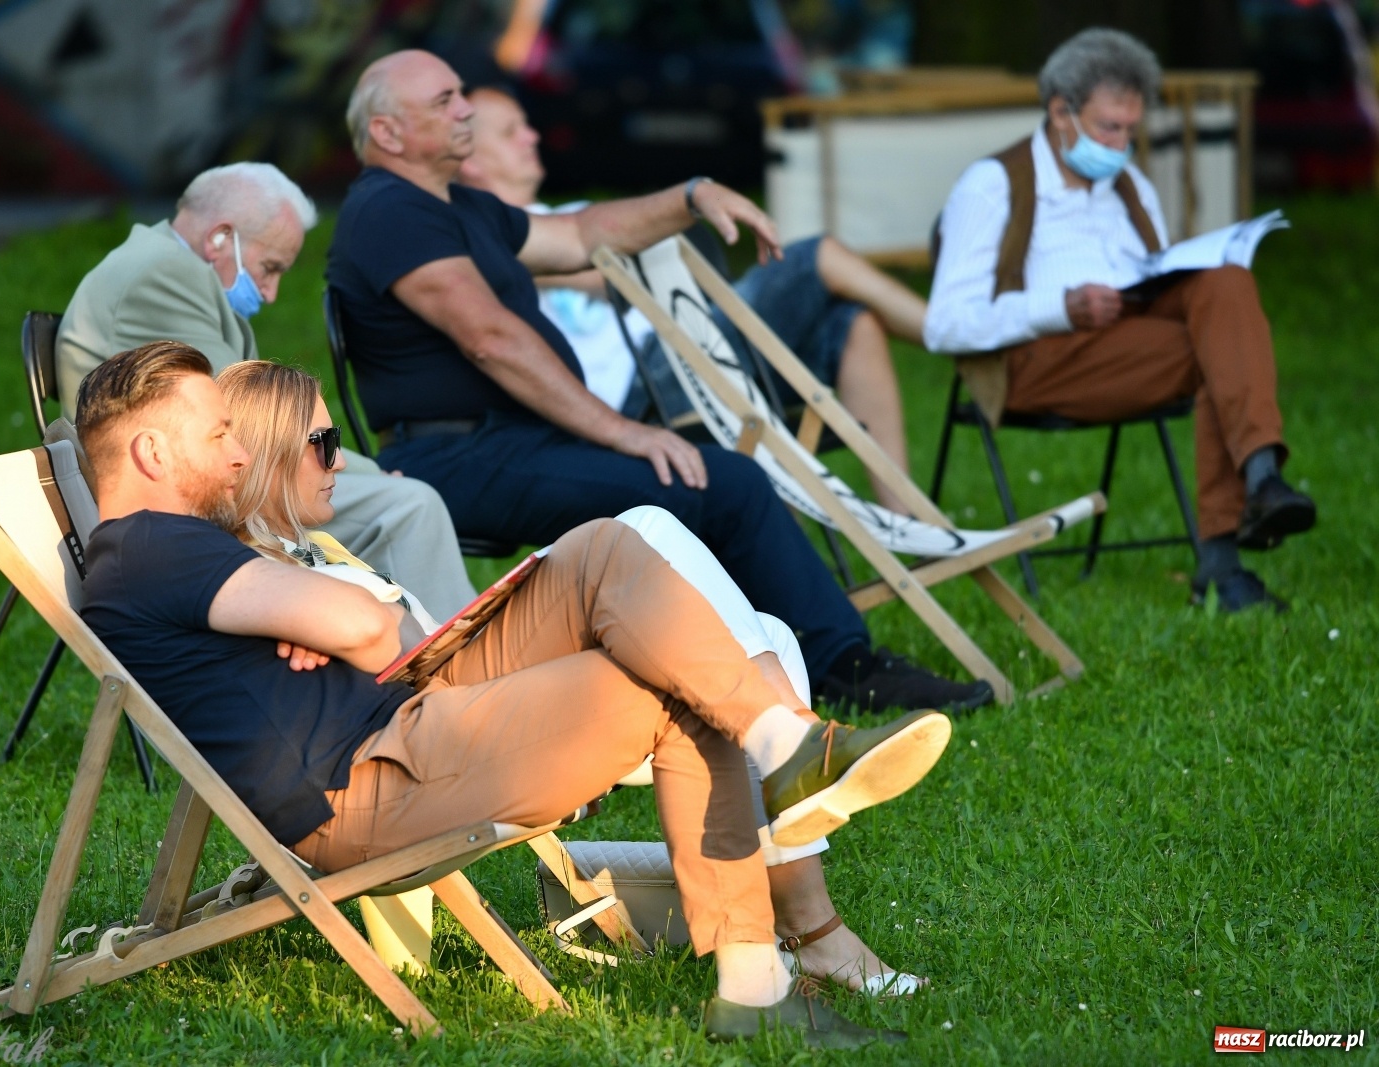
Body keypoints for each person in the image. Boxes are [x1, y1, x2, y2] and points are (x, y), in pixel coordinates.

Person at [74, 340, 955, 1045]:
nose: (237, 450)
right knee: (671, 681)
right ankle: (756, 979)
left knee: (604, 548)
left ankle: (782, 742)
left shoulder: (174, 546)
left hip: (407, 716)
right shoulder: (150, 546)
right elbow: (364, 628)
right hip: (368, 780)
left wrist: (316, 612)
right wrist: (327, 616)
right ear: (152, 450)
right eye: (217, 435)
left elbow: (356, 628)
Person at [325, 49, 993, 713]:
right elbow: (490, 339)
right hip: (457, 457)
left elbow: (580, 233)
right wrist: (625, 432)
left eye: (461, 94)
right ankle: (837, 669)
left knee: (719, 482)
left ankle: (774, 667)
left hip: (513, 442)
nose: (465, 109)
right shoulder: (389, 209)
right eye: (444, 101)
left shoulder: (459, 207)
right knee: (723, 485)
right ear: (388, 132)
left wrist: (690, 197)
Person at [924, 28, 1316, 612]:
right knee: (1221, 354)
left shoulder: (1129, 185)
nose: (1121, 144)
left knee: (1226, 281)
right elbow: (944, 324)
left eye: (1131, 130)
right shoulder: (993, 184)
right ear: (1061, 112)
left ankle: (1260, 480)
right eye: (1109, 127)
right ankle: (1226, 553)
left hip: (1130, 342)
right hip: (1039, 361)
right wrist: (1061, 306)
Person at [458, 84, 926, 512]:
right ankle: (949, 334)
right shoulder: (471, 241)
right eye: (511, 132)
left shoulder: (577, 217)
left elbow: (617, 269)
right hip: (637, 396)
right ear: (470, 159)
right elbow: (602, 272)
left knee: (851, 324)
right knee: (813, 258)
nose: (532, 137)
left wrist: (550, 266)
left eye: (527, 125)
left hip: (685, 359)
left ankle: (909, 522)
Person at [55, 161, 478, 616]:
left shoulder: (162, 264)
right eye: (269, 268)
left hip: (204, 476)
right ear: (220, 238)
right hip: (191, 493)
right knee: (408, 504)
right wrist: (373, 473)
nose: (271, 293)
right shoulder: (163, 274)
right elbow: (245, 419)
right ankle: (456, 644)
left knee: (401, 500)